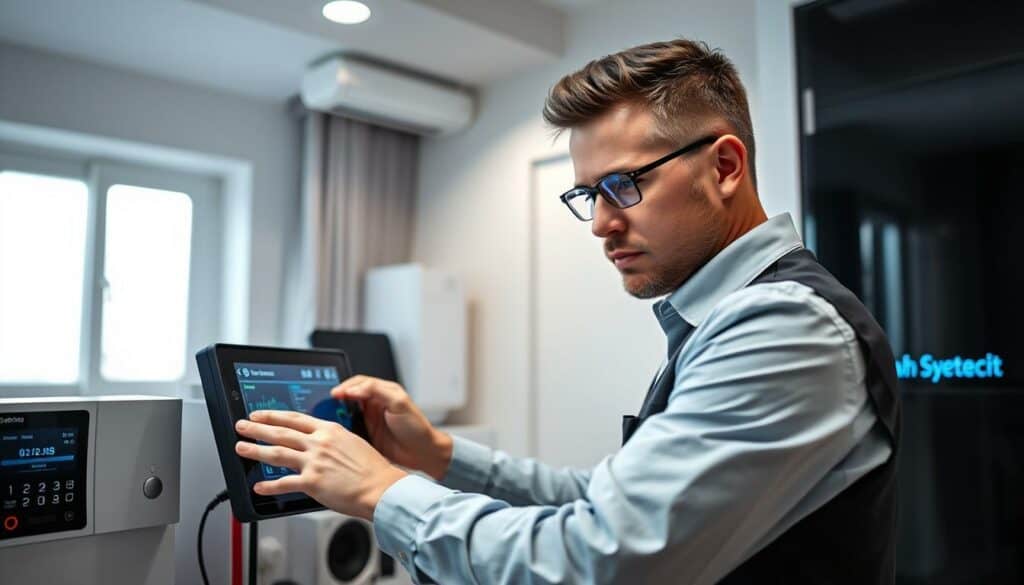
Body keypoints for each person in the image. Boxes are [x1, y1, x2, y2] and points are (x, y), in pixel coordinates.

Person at [233, 38, 900, 584]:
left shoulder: (783, 327)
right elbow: (603, 501)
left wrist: (382, 491)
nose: (601, 224)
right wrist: (439, 454)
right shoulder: (730, 317)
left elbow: (595, 560)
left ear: (724, 165)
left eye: (623, 185)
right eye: (589, 195)